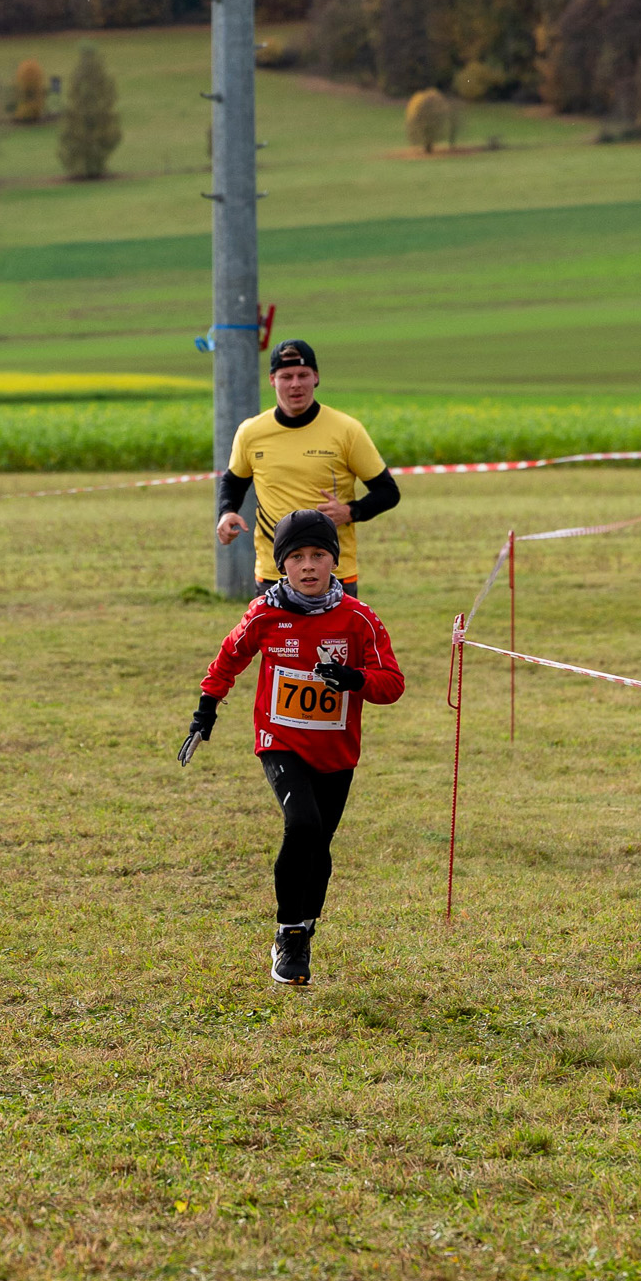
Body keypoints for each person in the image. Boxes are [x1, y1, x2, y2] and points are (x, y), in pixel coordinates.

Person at [179, 507, 405, 986]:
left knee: (319, 846)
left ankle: (306, 924)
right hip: (279, 740)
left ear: (334, 561)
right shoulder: (265, 613)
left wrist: (355, 679)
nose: (308, 566)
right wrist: (205, 711)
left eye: (318, 555)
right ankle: (289, 934)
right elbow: (229, 657)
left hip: (336, 751)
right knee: (302, 824)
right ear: (281, 564)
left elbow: (392, 684)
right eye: (297, 556)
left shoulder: (359, 619)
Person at [216, 338, 401, 596]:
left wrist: (350, 511)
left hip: (334, 575)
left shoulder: (346, 430)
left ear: (316, 377)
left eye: (303, 375)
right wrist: (226, 512)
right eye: (286, 376)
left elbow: (388, 492)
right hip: (274, 574)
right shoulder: (251, 432)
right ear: (272, 380)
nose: (295, 384)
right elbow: (234, 481)